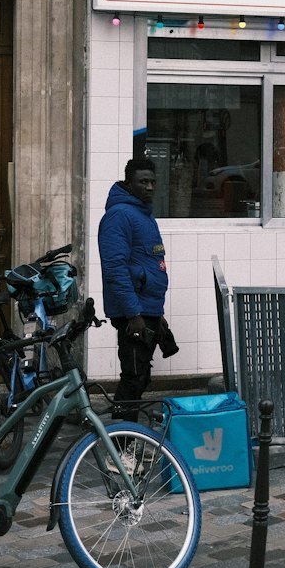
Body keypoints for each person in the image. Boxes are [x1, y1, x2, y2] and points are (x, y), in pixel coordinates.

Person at [98, 157, 177, 422]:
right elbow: (115, 269)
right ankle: (119, 451)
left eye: (153, 181)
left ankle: (126, 442)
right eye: (143, 182)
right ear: (129, 183)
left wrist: (157, 314)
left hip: (147, 311)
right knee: (132, 379)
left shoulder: (143, 213)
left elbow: (148, 265)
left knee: (140, 377)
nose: (150, 187)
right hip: (134, 315)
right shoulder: (119, 215)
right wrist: (134, 314)